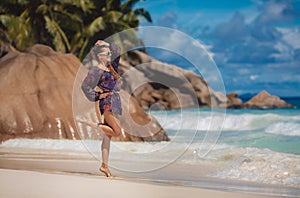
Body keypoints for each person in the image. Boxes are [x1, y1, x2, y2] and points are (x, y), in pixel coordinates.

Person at [81, 40, 122, 178]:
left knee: (108, 136)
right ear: (100, 56)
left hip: (115, 102)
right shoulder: (95, 71)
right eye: (107, 53)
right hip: (106, 103)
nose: (110, 54)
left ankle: (104, 165)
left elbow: (118, 50)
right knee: (117, 132)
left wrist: (106, 43)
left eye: (110, 53)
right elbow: (85, 86)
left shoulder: (112, 67)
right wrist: (99, 95)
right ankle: (94, 124)